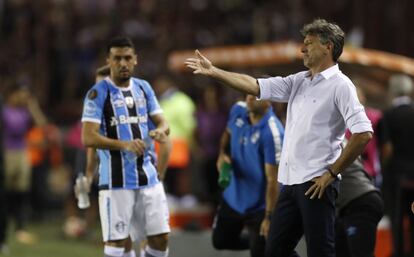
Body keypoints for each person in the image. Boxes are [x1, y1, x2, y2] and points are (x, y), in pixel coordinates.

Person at [186, 18, 373, 257]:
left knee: (320, 251)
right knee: (274, 251)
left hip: (316, 184)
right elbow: (254, 85)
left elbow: (363, 133)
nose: (302, 49)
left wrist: (331, 173)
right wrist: (214, 72)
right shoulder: (298, 81)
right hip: (290, 183)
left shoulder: (341, 85)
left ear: (328, 46)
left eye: (309, 43)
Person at [81, 37, 170, 257]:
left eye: (127, 58)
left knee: (161, 238)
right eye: (117, 58)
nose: (123, 63)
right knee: (118, 243)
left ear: (135, 60)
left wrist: (161, 130)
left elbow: (163, 121)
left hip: (148, 177)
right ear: (109, 60)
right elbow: (88, 138)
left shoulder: (144, 87)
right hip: (116, 181)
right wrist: (124, 145)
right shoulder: (97, 93)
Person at [212, 95, 284, 257]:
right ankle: (257, 244)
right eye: (248, 94)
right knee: (220, 241)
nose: (250, 99)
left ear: (269, 101)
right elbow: (228, 132)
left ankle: (266, 246)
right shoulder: (238, 109)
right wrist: (222, 154)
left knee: (259, 253)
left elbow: (274, 180)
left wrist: (269, 216)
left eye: (256, 96)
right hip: (233, 196)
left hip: (260, 205)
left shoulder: (273, 133)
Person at [2, 86, 47, 244]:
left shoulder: (25, 112)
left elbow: (42, 124)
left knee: (21, 190)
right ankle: (5, 225)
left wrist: (33, 106)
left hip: (22, 152)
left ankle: (20, 227)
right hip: (7, 152)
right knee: (6, 190)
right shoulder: (5, 110)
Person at [379, 74, 414, 257]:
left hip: (396, 179)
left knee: (398, 219)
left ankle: (399, 253)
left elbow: (387, 149)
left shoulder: (388, 115)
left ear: (393, 91)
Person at [335, 139, 384, 257]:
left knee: (361, 253)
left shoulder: (325, 141)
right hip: (360, 199)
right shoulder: (341, 138)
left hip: (359, 202)